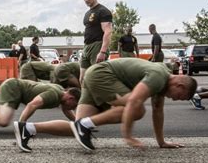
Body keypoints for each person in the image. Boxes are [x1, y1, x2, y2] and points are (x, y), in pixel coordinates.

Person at [13, 58, 197, 152]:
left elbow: (158, 111)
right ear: (179, 85)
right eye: (179, 96)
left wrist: (161, 142)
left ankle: (27, 129)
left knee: (78, 127)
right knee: (138, 109)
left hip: (95, 76)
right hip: (102, 75)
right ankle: (84, 126)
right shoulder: (159, 76)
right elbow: (133, 101)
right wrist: (128, 136)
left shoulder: (163, 83)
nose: (175, 99)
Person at [80, 0, 113, 83]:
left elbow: (108, 32)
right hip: (86, 47)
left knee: (96, 78)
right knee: (82, 79)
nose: (86, 0)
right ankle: (87, 98)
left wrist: (102, 52)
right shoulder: (87, 13)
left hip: (97, 46)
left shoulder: (103, 11)